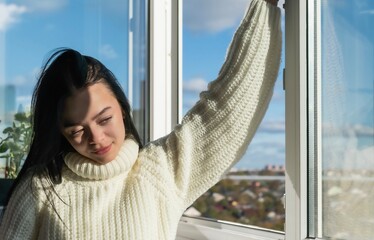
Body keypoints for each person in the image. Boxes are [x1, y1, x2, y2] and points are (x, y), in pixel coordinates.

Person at [0, 0, 281, 239]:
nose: (96, 138)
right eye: (76, 130)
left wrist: (265, 7)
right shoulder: (40, 189)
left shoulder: (161, 170)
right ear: (60, 132)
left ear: (122, 109)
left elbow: (226, 107)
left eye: (104, 119)